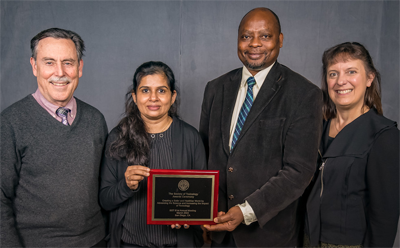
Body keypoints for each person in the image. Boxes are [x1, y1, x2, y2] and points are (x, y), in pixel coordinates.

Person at [199, 7, 323, 248]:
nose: (254, 44)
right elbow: (204, 157)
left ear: (280, 40)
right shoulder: (215, 89)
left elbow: (299, 171)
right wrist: (199, 214)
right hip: (218, 232)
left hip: (269, 236)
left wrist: (245, 212)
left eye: (265, 36)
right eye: (246, 36)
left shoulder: (304, 94)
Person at [0, 28, 108, 248]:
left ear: (80, 68)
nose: (60, 72)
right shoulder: (10, 122)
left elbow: (104, 187)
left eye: (68, 62)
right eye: (49, 62)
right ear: (34, 66)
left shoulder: (96, 119)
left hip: (95, 241)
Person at [99, 61, 206, 248]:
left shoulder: (191, 137)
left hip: (178, 243)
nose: (153, 98)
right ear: (135, 96)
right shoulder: (118, 137)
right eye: (145, 90)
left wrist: (190, 216)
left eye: (162, 91)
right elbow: (105, 200)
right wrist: (126, 186)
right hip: (130, 244)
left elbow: (202, 198)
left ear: (173, 97)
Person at [304, 42, 400, 248]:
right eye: (333, 74)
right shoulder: (316, 129)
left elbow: (385, 217)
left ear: (370, 78)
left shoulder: (384, 136)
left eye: (351, 71)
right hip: (307, 239)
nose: (341, 81)